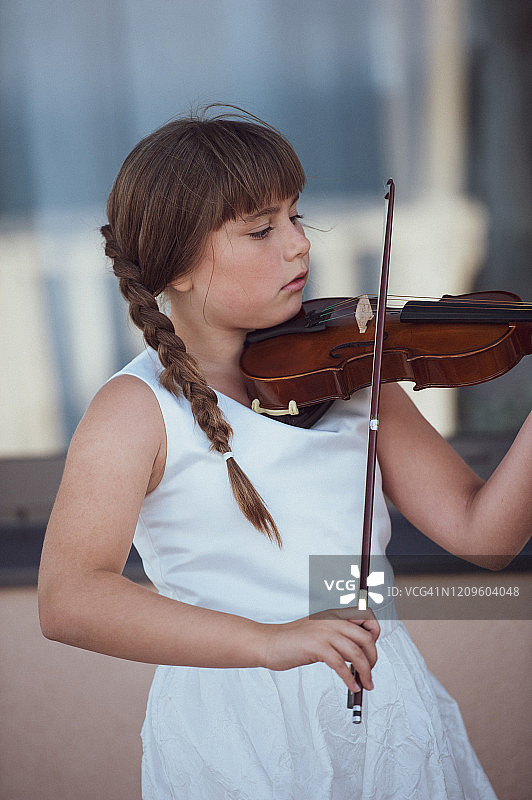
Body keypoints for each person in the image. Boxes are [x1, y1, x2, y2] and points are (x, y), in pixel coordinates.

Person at [38, 107, 531, 800]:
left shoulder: (353, 369)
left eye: (297, 218)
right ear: (176, 265)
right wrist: (271, 643)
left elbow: (486, 537)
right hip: (238, 733)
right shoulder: (133, 411)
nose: (299, 245)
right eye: (262, 229)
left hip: (385, 707)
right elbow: (69, 600)